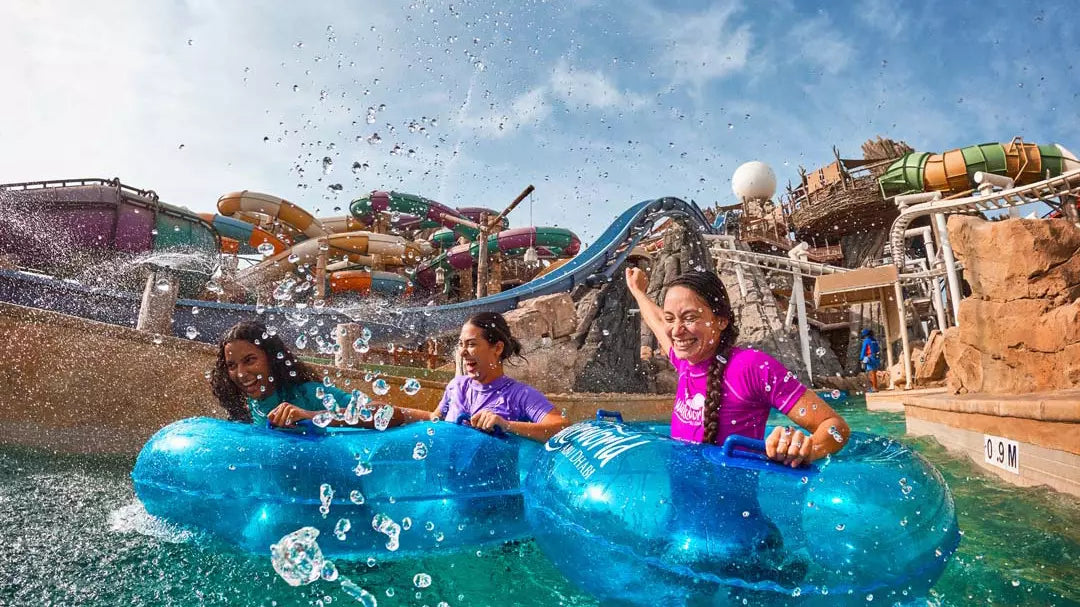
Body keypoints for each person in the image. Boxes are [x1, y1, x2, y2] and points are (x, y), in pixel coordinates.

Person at [626, 268, 850, 467]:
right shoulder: (685, 361)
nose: (676, 330)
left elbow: (835, 427)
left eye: (689, 317)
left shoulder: (751, 367)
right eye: (671, 319)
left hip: (735, 510)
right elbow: (656, 322)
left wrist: (806, 448)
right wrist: (638, 292)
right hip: (681, 510)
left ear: (721, 320)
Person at [427, 312, 570, 442]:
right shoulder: (457, 386)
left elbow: (563, 428)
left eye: (471, 344)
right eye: (460, 344)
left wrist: (506, 425)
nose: (462, 352)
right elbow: (434, 419)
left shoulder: (519, 395)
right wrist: (404, 414)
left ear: (497, 348)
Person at [210, 320, 356, 427]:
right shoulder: (243, 407)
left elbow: (377, 410)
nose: (241, 374)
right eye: (232, 365)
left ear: (272, 358)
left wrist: (310, 416)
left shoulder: (307, 394)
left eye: (249, 360)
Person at [860, 328, 882, 392]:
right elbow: (877, 349)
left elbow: (864, 350)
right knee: (874, 373)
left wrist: (861, 358)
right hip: (876, 358)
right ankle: (874, 387)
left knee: (871, 374)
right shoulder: (874, 340)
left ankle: (874, 388)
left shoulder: (866, 341)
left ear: (865, 335)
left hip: (870, 358)